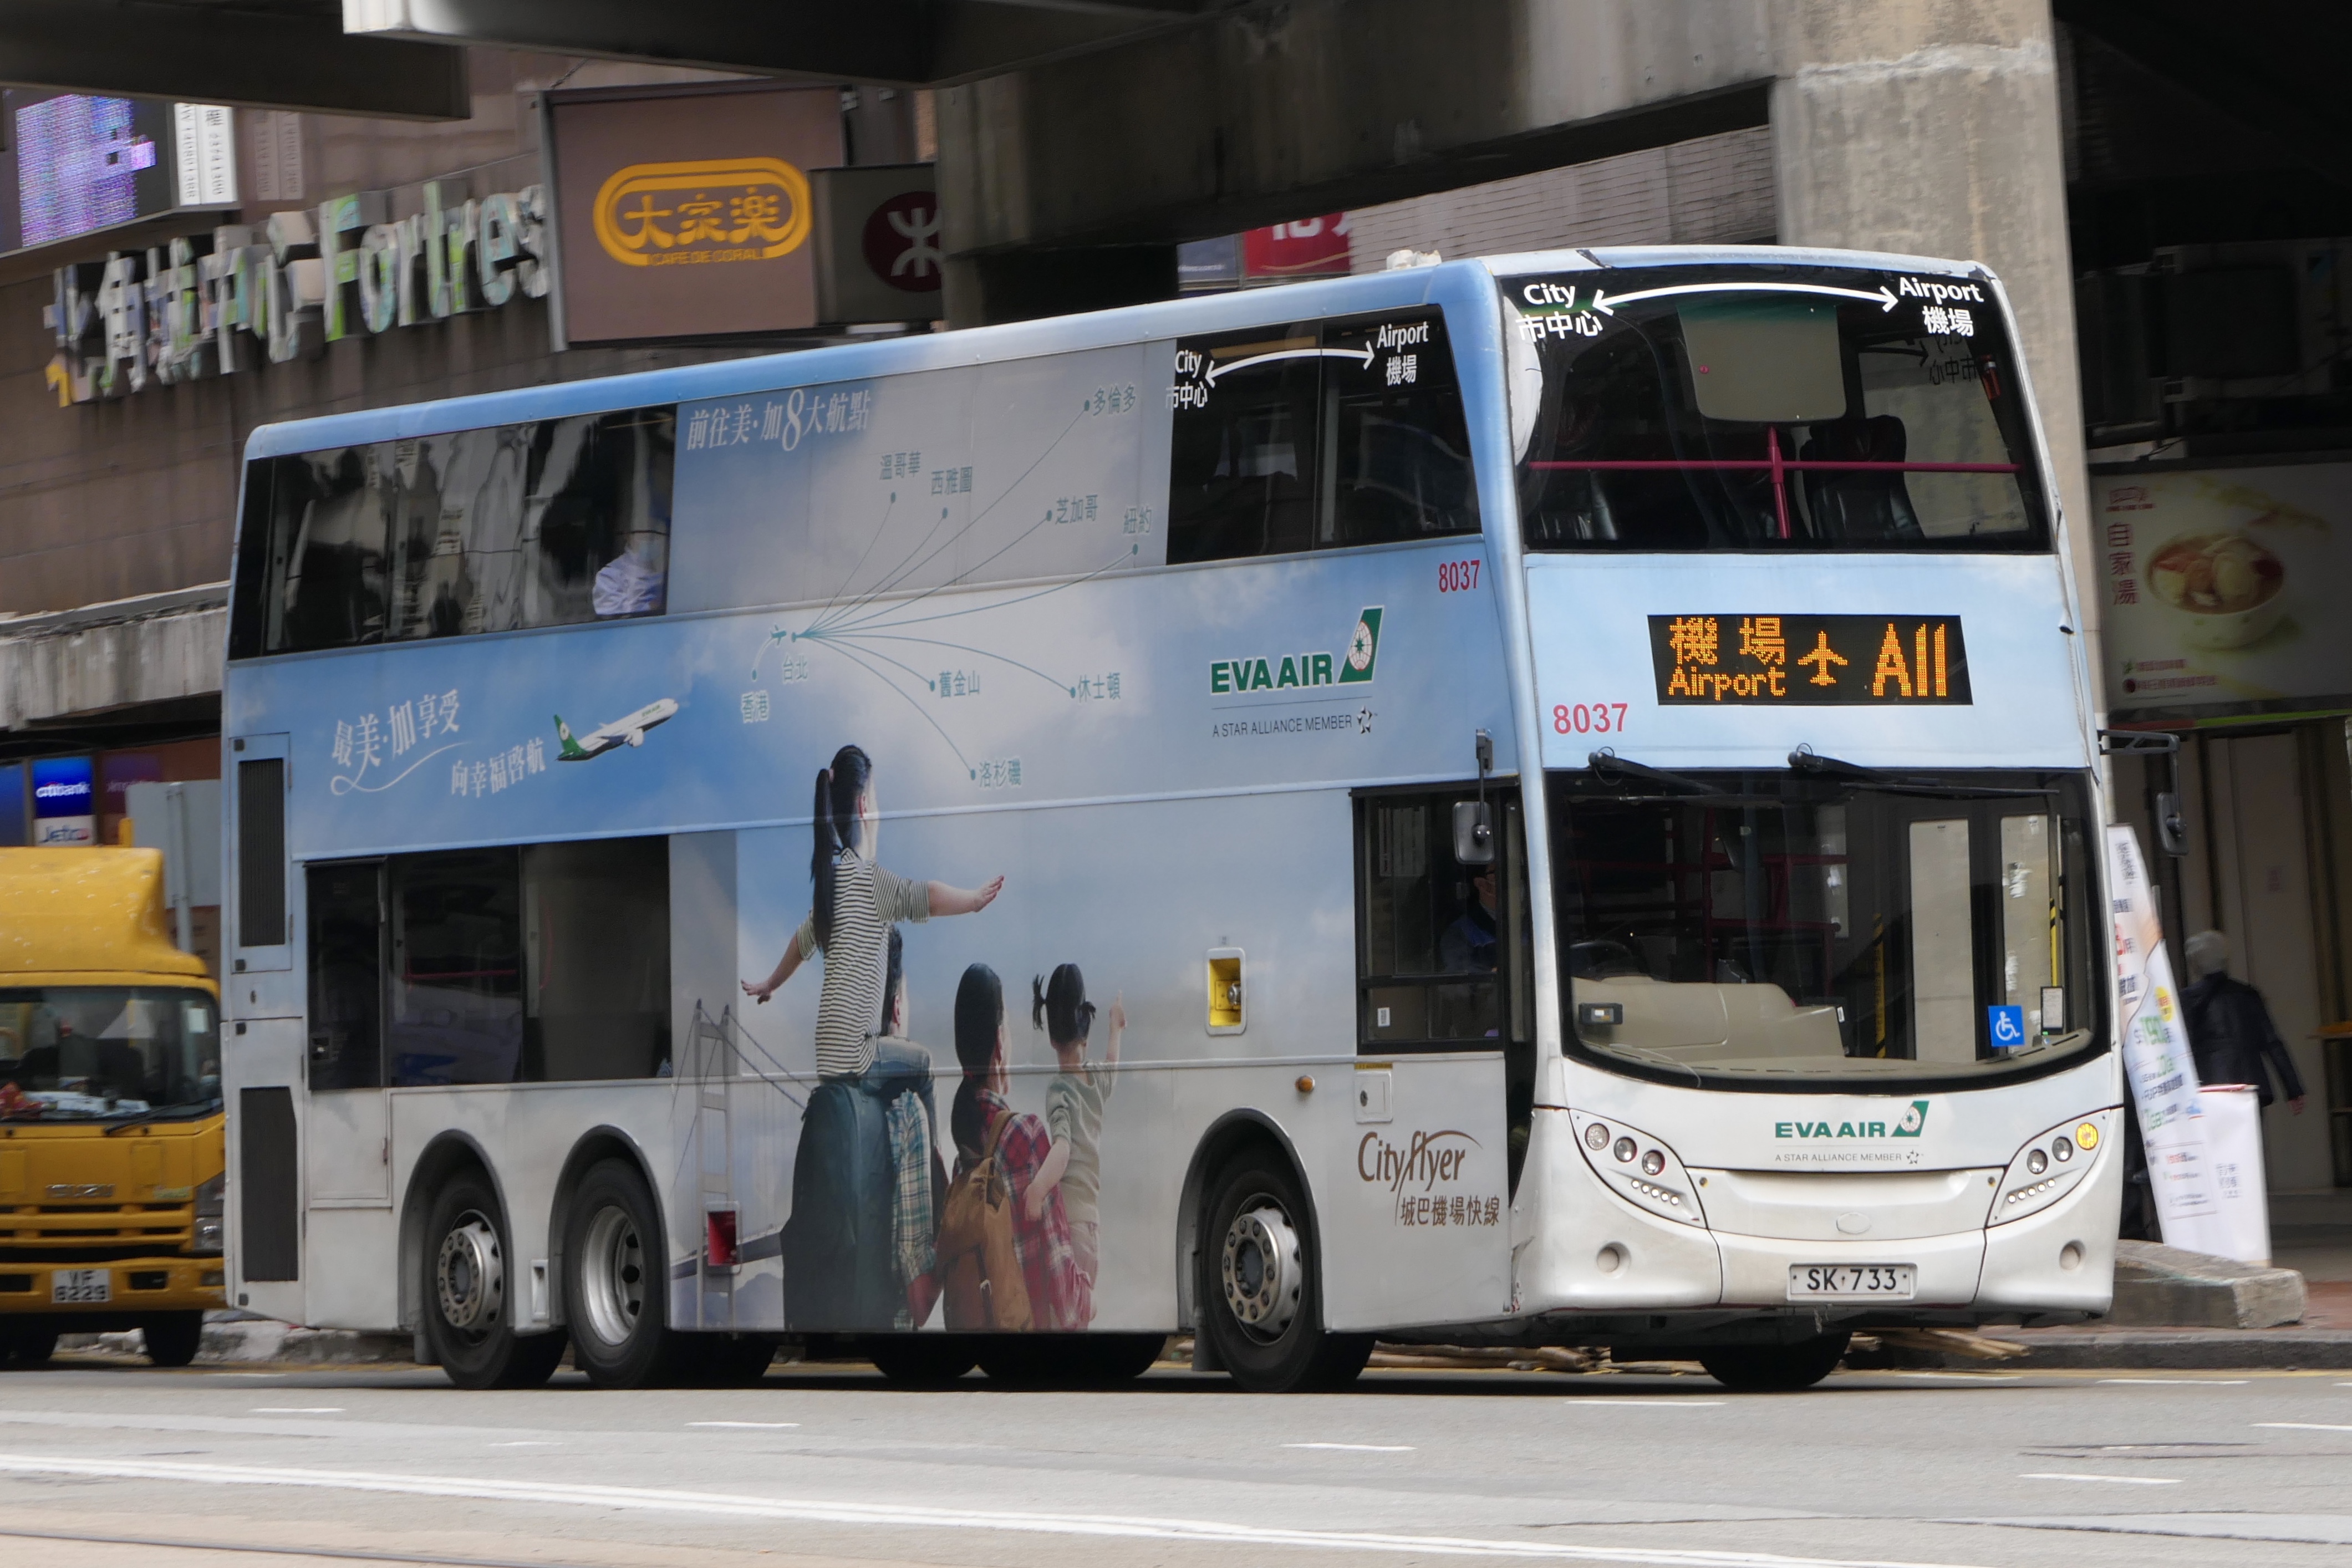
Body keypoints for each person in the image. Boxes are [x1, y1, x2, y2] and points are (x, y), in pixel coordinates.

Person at [743, 744, 1004, 1133]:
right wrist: (973, 901)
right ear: (865, 807)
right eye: (878, 801)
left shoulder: (831, 886)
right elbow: (928, 896)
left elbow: (800, 943)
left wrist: (771, 983)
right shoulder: (870, 881)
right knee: (922, 1065)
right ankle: (931, 1159)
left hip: (827, 1056)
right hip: (859, 1056)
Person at [949, 964, 1083, 1331]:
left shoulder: (962, 1161)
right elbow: (1069, 1305)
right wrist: (1090, 1294)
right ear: (999, 1043)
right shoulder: (1026, 1135)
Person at [1025, 965, 1122, 1322]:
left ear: (1051, 1038)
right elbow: (1113, 1065)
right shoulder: (1095, 1081)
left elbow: (1062, 1149)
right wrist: (1116, 1027)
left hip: (1067, 1227)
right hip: (1091, 1228)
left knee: (1059, 1321)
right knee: (1077, 1320)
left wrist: (1037, 1190)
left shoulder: (1059, 1089)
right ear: (1086, 1031)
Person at [2182, 929, 2307, 1114]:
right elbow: (2272, 1042)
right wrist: (2293, 1089)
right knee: (2251, 1132)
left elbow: (2181, 1047)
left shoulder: (2189, 999)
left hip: (2209, 1084)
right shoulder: (2248, 995)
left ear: (2195, 963)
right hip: (2250, 1082)